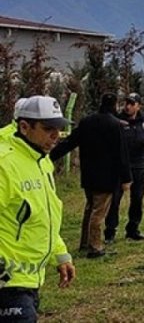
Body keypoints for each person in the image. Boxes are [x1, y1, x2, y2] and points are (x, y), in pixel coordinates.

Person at [0, 96, 75, 320]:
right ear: (24, 127)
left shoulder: (42, 161)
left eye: (60, 128)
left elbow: (45, 214)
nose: (56, 135)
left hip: (30, 281)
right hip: (8, 284)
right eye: (48, 128)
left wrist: (60, 255)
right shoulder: (4, 163)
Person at [51, 93, 131, 258]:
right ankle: (95, 246)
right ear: (115, 105)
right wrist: (126, 178)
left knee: (90, 208)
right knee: (99, 212)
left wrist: (49, 155)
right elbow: (121, 154)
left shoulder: (87, 122)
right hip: (107, 177)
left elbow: (70, 142)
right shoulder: (115, 125)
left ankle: (85, 242)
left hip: (88, 175)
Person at [105, 93, 144, 242]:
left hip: (139, 165)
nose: (127, 106)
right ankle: (110, 231)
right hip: (120, 165)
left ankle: (133, 229)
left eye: (131, 103)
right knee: (115, 199)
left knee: (137, 199)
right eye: (126, 103)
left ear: (138, 106)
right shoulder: (117, 119)